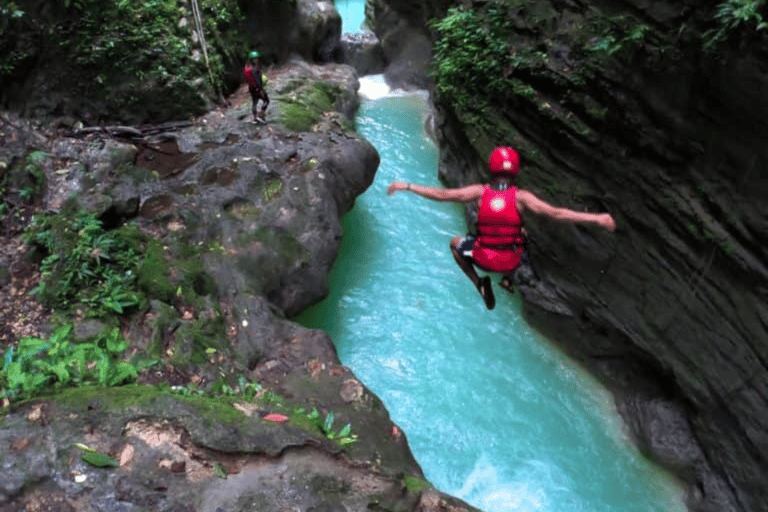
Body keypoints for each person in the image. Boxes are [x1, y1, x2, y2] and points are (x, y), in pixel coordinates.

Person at [387, 147, 616, 310]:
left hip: (483, 257)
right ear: (515, 170)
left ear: (491, 168)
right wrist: (598, 219)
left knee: (456, 243)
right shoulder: (521, 197)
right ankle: (508, 279)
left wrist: (407, 185)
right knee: (521, 235)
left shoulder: (480, 192)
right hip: (511, 260)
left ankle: (479, 284)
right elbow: (555, 214)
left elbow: (443, 195)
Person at [243, 50, 269, 122]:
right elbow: (257, 79)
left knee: (255, 102)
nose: (257, 60)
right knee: (266, 101)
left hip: (251, 88)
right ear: (252, 59)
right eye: (255, 58)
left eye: (257, 58)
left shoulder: (247, 67)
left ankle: (255, 118)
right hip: (257, 88)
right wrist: (260, 89)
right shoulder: (254, 69)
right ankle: (261, 113)